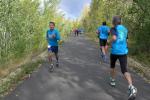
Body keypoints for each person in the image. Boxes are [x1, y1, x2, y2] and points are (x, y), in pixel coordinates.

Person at [107, 16, 137, 100]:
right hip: (123, 52)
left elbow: (114, 38)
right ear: (120, 22)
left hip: (115, 52)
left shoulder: (113, 28)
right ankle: (131, 87)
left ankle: (112, 80)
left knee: (112, 66)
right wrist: (125, 48)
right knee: (124, 70)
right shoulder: (125, 29)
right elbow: (126, 41)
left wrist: (108, 42)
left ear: (114, 22)